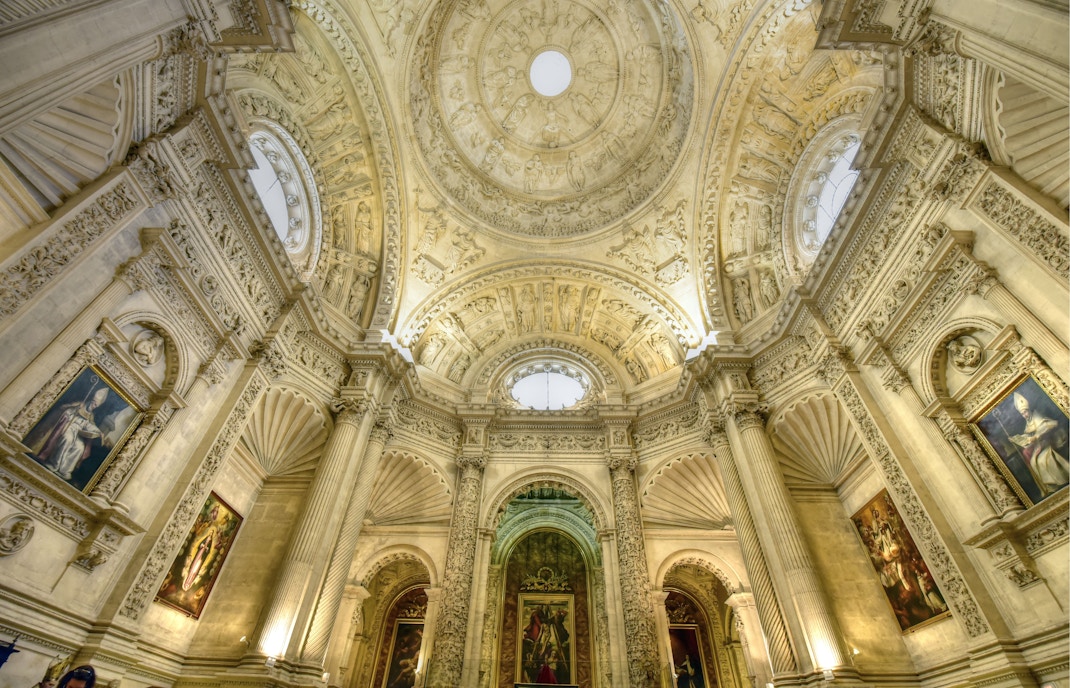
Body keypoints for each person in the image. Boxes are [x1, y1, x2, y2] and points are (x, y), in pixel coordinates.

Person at [34, 387, 110, 481]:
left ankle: (65, 471)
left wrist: (98, 432)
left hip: (78, 432)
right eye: (94, 404)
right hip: (69, 426)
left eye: (96, 406)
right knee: (67, 439)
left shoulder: (90, 415)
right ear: (91, 401)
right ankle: (53, 464)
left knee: (79, 447)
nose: (94, 406)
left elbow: (90, 425)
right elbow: (67, 410)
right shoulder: (79, 405)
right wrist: (70, 413)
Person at [1010, 392, 1070, 496]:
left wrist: (1036, 436)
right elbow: (1029, 436)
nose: (1025, 415)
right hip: (1039, 445)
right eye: (1022, 414)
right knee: (1033, 462)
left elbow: (1047, 426)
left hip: (1049, 441)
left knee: (1043, 460)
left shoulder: (1037, 416)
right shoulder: (1028, 422)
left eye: (1025, 412)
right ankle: (1051, 486)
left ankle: (1062, 480)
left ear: (1028, 410)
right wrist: (1020, 440)